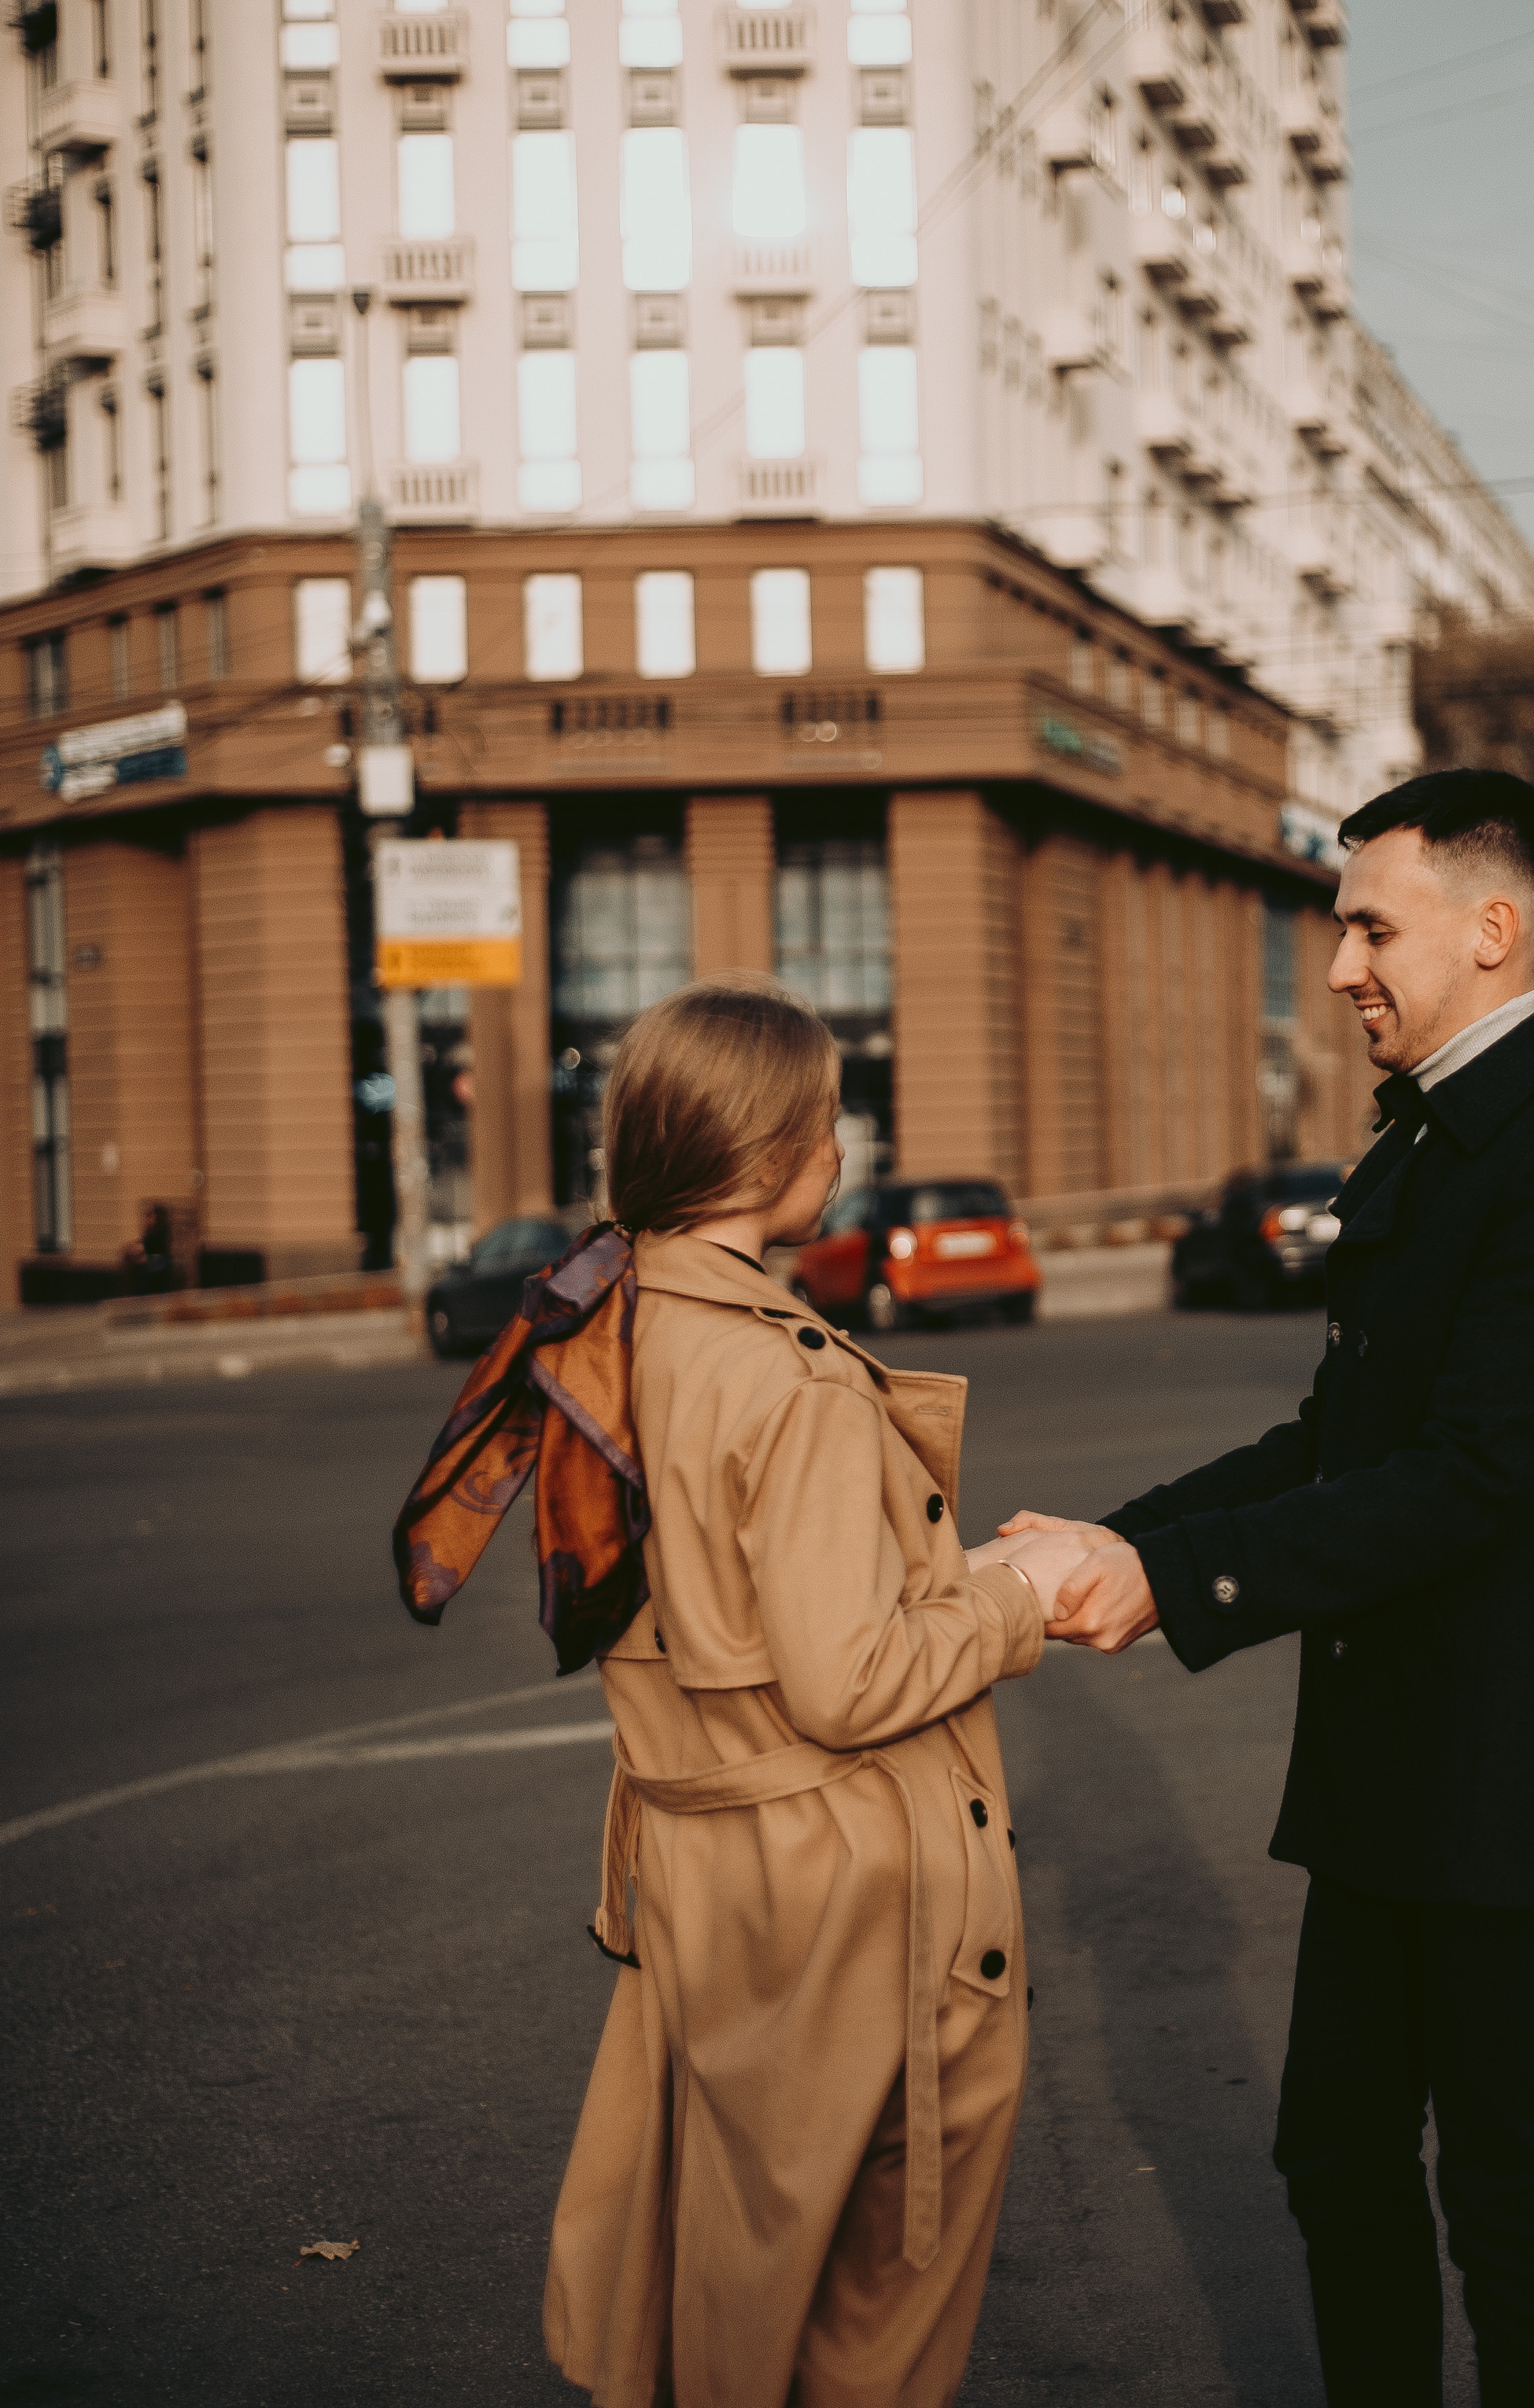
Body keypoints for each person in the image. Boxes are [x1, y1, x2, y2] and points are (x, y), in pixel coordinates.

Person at [1002, 769, 1534, 2407]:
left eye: (1371, 925)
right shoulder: (1444, 1138)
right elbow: (1335, 1434)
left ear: (1493, 928)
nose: (1340, 966)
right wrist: (1106, 1535)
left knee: (1509, 2196)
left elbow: (1468, 1479)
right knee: (1336, 2153)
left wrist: (1165, 1581)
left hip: (1516, 1762)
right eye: (1340, 929)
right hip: (1398, 1751)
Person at [540, 979, 1081, 2408]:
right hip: (848, 1890)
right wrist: (1021, 1598)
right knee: (874, 2316)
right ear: (769, 1150)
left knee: (730, 2268)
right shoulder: (792, 1381)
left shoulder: (613, 1330)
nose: (841, 1153)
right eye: (829, 1125)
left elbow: (728, 1601)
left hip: (706, 1873)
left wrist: (932, 1577)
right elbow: (849, 1683)